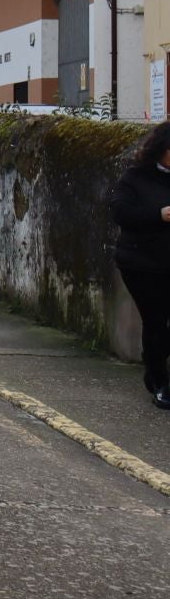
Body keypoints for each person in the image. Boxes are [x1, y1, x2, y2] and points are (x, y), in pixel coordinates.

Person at [109, 120, 170, 409]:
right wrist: (160, 215)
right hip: (141, 264)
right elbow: (121, 212)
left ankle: (155, 367)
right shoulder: (136, 177)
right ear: (160, 150)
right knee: (156, 319)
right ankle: (159, 381)